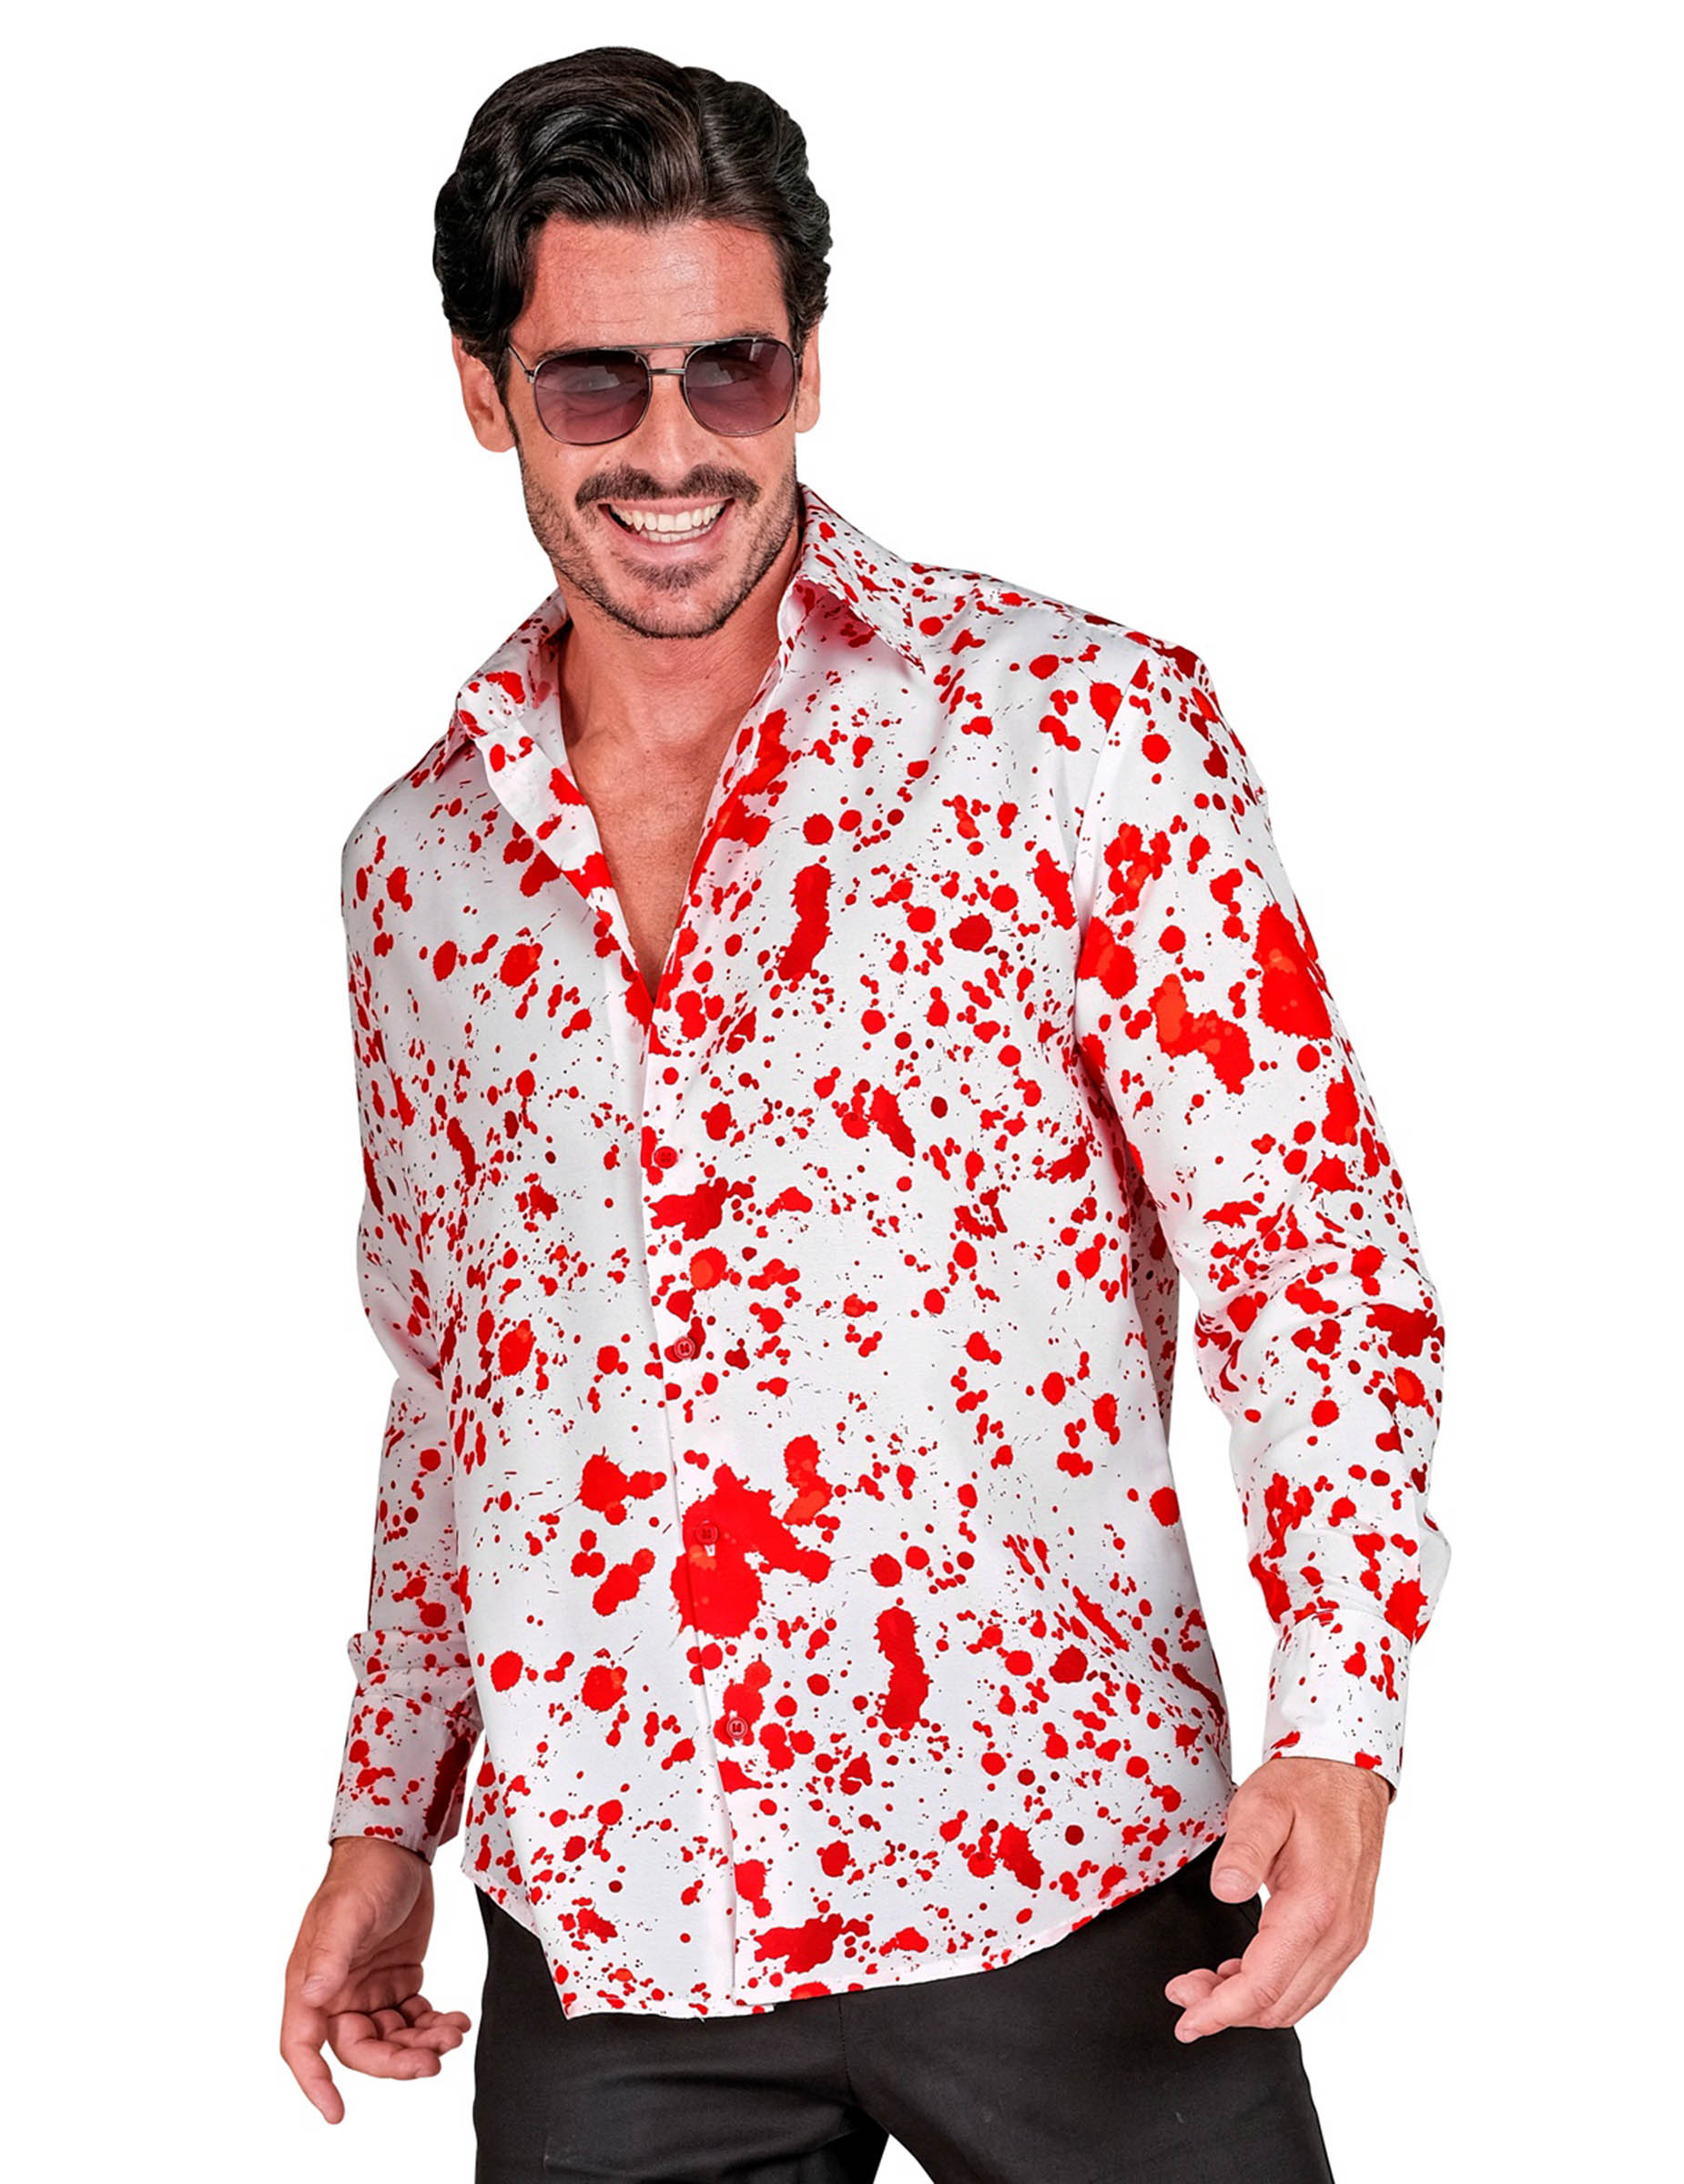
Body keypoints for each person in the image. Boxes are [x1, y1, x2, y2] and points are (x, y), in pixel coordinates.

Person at [279, 45, 1451, 2184]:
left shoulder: (1077, 731)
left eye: (729, 371)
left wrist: (1342, 1732)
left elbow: (1311, 1251)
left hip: (1068, 1885)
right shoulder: (416, 871)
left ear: (807, 368)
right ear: (483, 392)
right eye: (591, 384)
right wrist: (386, 1819)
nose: (670, 448)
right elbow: (454, 1390)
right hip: (613, 1938)